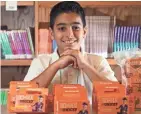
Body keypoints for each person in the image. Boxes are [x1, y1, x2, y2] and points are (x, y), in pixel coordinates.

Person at [24, 1, 117, 113]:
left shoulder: (98, 61)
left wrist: (85, 65)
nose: (70, 35)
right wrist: (56, 65)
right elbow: (24, 98)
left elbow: (117, 97)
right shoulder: (40, 62)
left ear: (85, 32)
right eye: (62, 28)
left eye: (76, 28)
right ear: (52, 33)